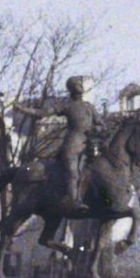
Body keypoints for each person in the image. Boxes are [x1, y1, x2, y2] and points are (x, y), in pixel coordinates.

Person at [21, 76, 99, 210]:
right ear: (71, 89)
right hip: (73, 145)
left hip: (90, 144)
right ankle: (74, 201)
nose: (80, 86)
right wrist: (24, 110)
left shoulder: (89, 106)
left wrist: (98, 129)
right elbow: (43, 113)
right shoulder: (66, 105)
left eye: (80, 84)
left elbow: (100, 122)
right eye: (76, 84)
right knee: (73, 172)